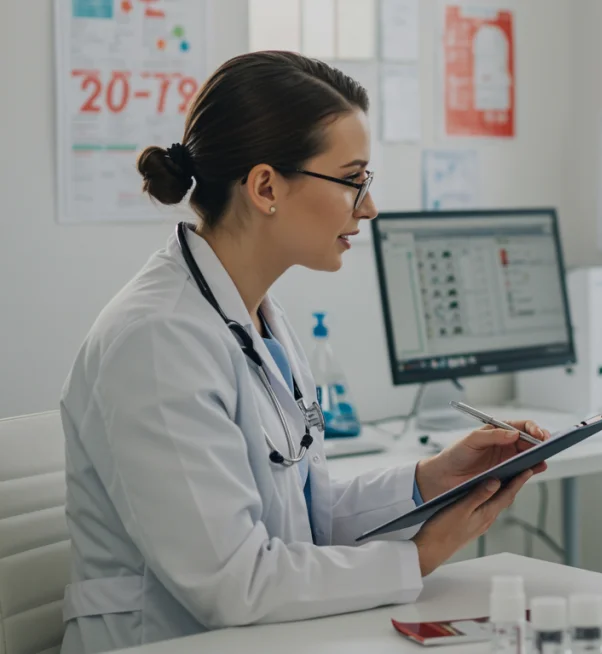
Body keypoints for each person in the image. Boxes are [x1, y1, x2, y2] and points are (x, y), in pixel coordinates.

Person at [58, 51, 548, 654]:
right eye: (352, 180)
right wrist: (420, 556)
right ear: (265, 186)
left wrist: (430, 481)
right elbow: (233, 583)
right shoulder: (157, 340)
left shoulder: (256, 316)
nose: (368, 206)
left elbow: (305, 516)